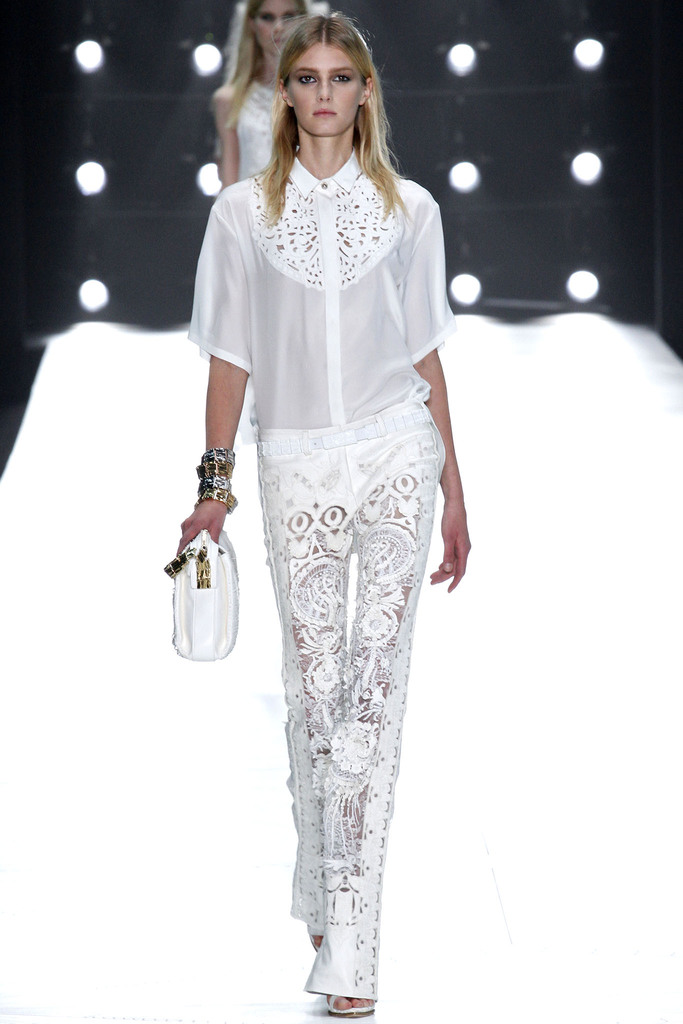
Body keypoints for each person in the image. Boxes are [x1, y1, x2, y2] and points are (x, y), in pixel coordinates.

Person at [179, 13, 470, 1018]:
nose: (322, 95)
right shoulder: (239, 216)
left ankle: (350, 938)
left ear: (365, 91)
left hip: (396, 457)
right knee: (315, 695)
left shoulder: (411, 211)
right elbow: (229, 358)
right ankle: (319, 870)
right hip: (296, 467)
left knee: (371, 699)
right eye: (306, 78)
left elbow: (426, 355)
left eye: (341, 78)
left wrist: (454, 490)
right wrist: (213, 486)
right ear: (287, 92)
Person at [213, 0, 314, 187]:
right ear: (252, 24)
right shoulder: (229, 100)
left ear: (304, 21)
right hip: (249, 203)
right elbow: (229, 183)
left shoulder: (320, 96)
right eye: (268, 17)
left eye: (288, 16)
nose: (279, 27)